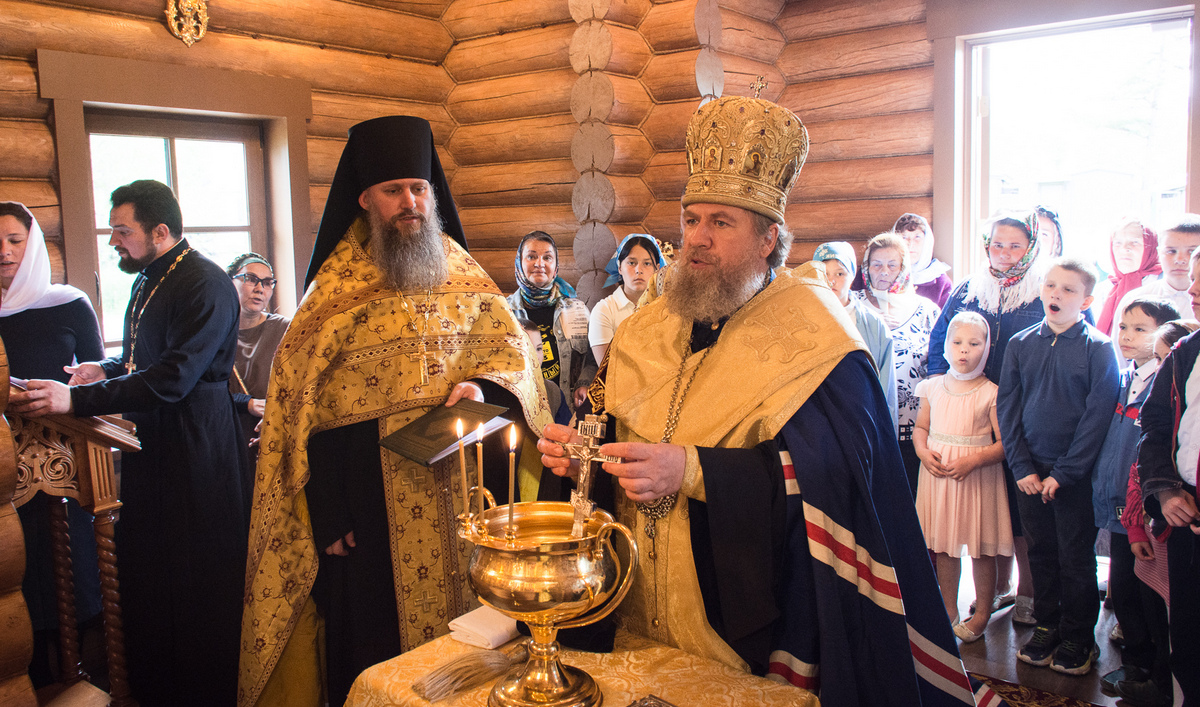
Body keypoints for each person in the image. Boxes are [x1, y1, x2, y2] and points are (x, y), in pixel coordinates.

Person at [540, 95, 976, 706]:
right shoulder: (644, 327)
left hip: (747, 612)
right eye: (692, 219)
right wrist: (578, 455)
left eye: (721, 223)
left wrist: (693, 470)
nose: (697, 239)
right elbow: (605, 426)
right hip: (631, 597)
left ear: (769, 237)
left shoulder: (817, 334)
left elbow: (839, 482)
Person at [237, 116, 552, 707]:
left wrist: (485, 387)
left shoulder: (462, 271)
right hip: (367, 513)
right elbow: (300, 410)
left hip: (465, 496)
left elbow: (512, 358)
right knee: (377, 658)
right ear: (364, 199)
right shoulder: (334, 290)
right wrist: (327, 514)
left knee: (477, 648)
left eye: (419, 188)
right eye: (393, 191)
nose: (410, 203)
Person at [9, 180, 251, 706]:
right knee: (156, 565)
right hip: (156, 440)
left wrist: (74, 403)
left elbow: (175, 377)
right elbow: (146, 360)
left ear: (160, 232)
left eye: (123, 231)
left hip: (198, 443)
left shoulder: (205, 283)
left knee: (196, 574)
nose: (114, 241)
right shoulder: (148, 279)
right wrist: (104, 370)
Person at [998, 258, 1120, 676]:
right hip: (1028, 473)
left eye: (1068, 290)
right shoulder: (1020, 344)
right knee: (1041, 552)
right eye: (1051, 286)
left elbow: (1096, 419)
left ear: (1086, 301)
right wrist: (1022, 468)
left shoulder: (1100, 349)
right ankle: (1048, 625)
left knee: (1075, 556)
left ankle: (1078, 635)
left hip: (1074, 475)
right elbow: (1008, 410)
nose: (1056, 294)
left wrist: (1063, 474)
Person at [0, 201, 104, 687]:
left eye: (14, 241)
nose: (3, 252)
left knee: (74, 577)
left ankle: (79, 676)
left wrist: (72, 391)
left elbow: (97, 378)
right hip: (1, 472)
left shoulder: (67, 302)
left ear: (33, 244)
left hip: (63, 467)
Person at [928, 211, 1049, 625]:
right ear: (987, 245)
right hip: (969, 410)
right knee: (984, 512)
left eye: (1016, 245)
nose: (1005, 253)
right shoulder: (968, 290)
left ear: (1031, 247)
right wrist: (941, 391)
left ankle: (1027, 591)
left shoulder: (1041, 290)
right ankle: (993, 591)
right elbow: (939, 342)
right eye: (998, 243)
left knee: (1018, 509)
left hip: (1022, 411)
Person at [1092, 297, 1178, 706]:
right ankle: (1139, 663)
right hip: (1118, 504)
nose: (1126, 336)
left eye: (1140, 329)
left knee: (1143, 593)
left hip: (1144, 510)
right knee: (1123, 590)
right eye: (1123, 327)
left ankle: (1155, 672)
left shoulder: (1164, 386)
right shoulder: (1125, 377)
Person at [913, 312, 1011, 644]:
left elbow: (1003, 444)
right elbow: (921, 429)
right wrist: (923, 453)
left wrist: (974, 460)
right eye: (957, 343)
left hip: (977, 481)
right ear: (946, 345)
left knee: (982, 549)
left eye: (973, 343)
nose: (964, 351)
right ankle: (948, 610)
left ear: (986, 347)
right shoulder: (932, 387)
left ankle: (983, 611)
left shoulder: (991, 392)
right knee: (945, 548)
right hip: (939, 479)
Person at [1137, 247, 1200, 705]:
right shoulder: (1184, 353)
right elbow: (1156, 428)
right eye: (1193, 279)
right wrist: (1164, 491)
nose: (1192, 290)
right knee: (1189, 629)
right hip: (1185, 509)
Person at [853, 232, 941, 491]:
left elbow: (938, 368)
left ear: (903, 269)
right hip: (866, 423)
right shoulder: (851, 305)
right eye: (876, 264)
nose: (883, 272)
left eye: (892, 265)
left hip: (916, 428)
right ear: (866, 268)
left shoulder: (926, 310)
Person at [810, 240, 898, 431]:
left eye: (840, 273)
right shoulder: (803, 322)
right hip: (818, 421)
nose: (831, 281)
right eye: (824, 274)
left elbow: (886, 387)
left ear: (852, 275)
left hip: (861, 419)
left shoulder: (874, 326)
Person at [507, 231, 597, 409]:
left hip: (568, 412)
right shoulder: (504, 313)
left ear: (555, 267)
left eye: (547, 258)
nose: (539, 263)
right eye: (531, 256)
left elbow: (592, 358)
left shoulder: (578, 310)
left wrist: (585, 383)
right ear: (519, 262)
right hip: (521, 411)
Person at [226, 252, 290, 449]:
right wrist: (247, 403)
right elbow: (203, 390)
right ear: (230, 282)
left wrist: (278, 421)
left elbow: (302, 386)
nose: (259, 289)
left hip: (277, 432)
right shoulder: (216, 331)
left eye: (268, 282)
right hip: (228, 431)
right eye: (251, 279)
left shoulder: (287, 330)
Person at [588, 233, 665, 363]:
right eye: (631, 263)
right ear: (619, 268)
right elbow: (607, 369)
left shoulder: (665, 308)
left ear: (657, 269)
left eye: (647, 263)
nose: (638, 270)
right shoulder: (605, 310)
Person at [1114, 213, 1200, 323]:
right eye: (1171, 251)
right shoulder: (1135, 299)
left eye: (1191, 252)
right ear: (1159, 253)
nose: (1180, 259)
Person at [1096, 218, 1161, 339]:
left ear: (1150, 247)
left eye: (1134, 242)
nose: (1124, 248)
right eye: (1118, 243)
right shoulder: (1102, 290)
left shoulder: (1161, 285)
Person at [894, 212, 953, 307]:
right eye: (904, 237)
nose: (910, 244)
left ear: (927, 242)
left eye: (917, 237)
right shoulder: (883, 275)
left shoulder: (941, 283)